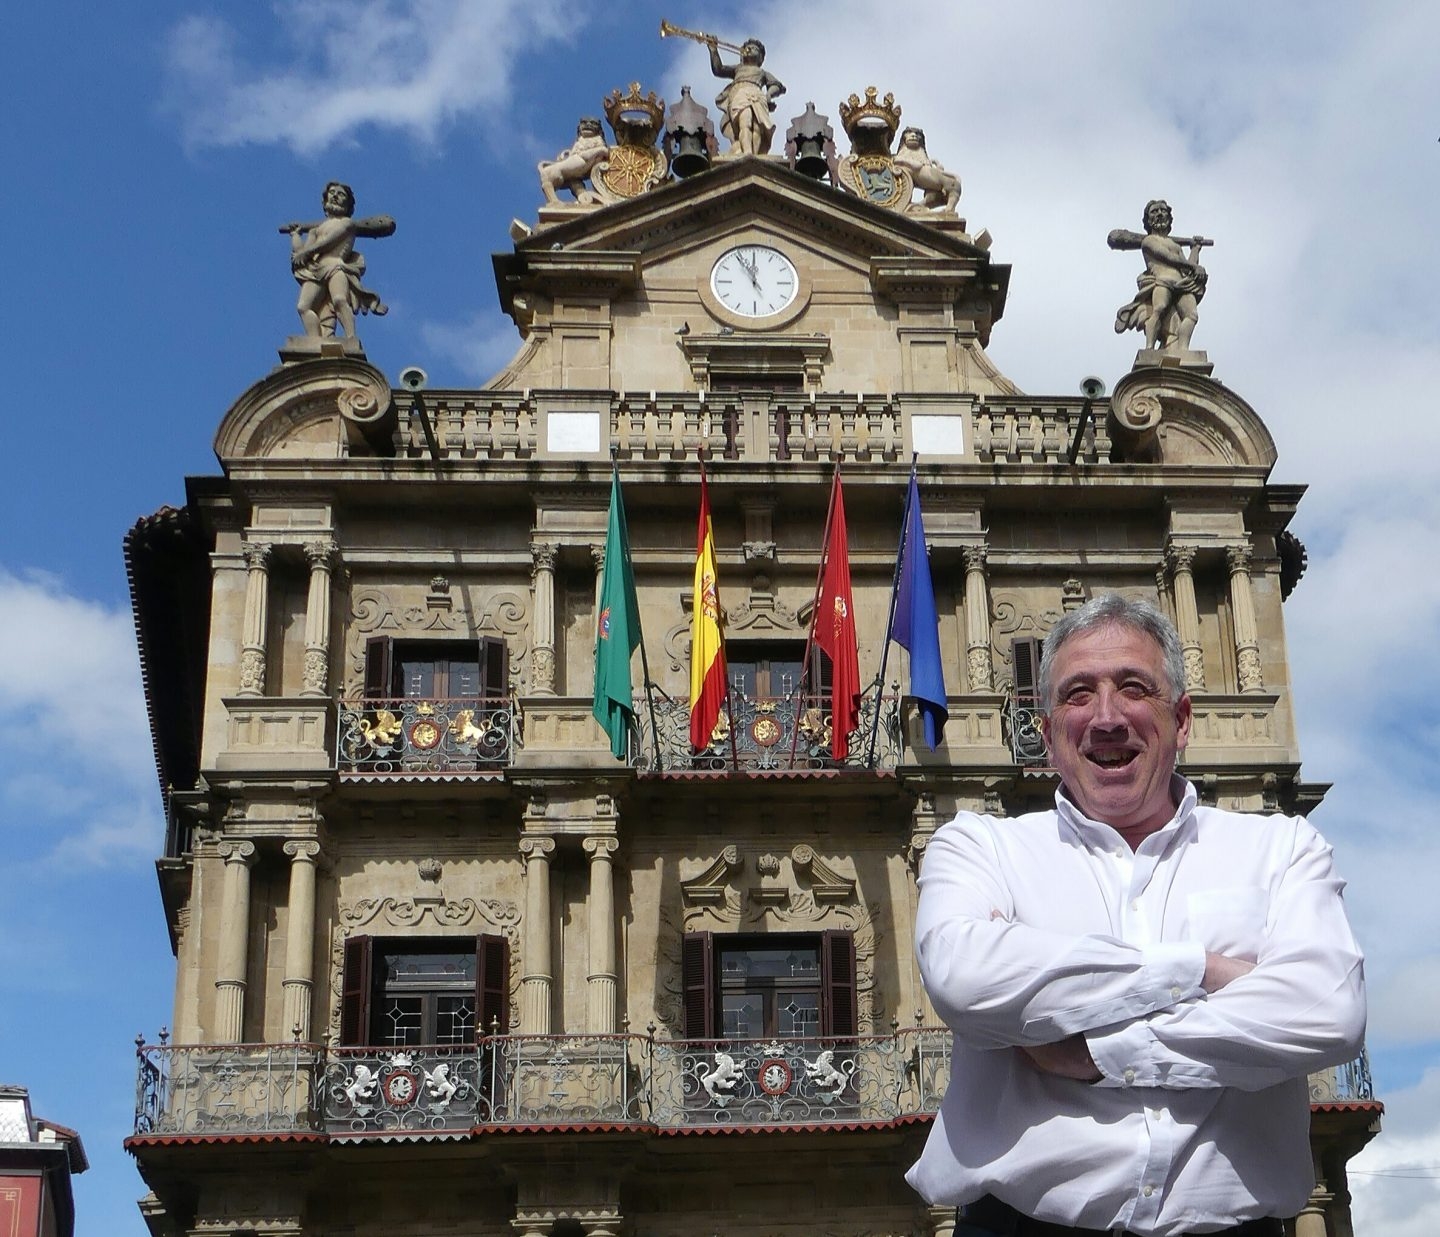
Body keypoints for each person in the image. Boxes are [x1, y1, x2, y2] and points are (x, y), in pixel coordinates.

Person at [906, 593, 1365, 1237]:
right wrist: (1200, 969)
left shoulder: (1281, 848)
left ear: (1181, 720)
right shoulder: (980, 847)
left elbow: (1327, 1011)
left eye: (1133, 687)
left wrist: (1100, 1050)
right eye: (1078, 694)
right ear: (1046, 732)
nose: (1107, 716)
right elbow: (965, 980)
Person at [280, 181, 396, 338]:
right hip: (315, 270)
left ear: (348, 204)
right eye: (332, 192)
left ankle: (351, 337)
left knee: (340, 300)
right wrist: (295, 235)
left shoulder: (347, 224)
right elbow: (301, 254)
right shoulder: (315, 230)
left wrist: (307, 252)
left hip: (335, 266)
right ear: (325, 200)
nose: (335, 195)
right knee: (304, 307)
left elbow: (327, 243)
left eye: (340, 194)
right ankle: (316, 341)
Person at [1112, 199, 1209, 352]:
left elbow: (1187, 268)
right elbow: (1167, 257)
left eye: (1163, 211)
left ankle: (1182, 351)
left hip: (1181, 284)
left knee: (1191, 316)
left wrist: (1195, 249)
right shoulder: (1148, 241)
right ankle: (1149, 348)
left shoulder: (1176, 246)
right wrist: (1193, 266)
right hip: (1163, 281)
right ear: (1148, 220)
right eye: (1155, 211)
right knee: (1159, 309)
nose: (1159, 214)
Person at [708, 37, 785, 157]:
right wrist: (714, 50)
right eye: (748, 48)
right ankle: (747, 152)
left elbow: (777, 86)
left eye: (755, 49)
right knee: (745, 120)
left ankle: (754, 154)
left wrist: (769, 95)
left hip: (758, 96)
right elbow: (719, 70)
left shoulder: (762, 72)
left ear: (760, 58)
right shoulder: (738, 68)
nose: (750, 49)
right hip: (740, 94)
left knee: (757, 127)